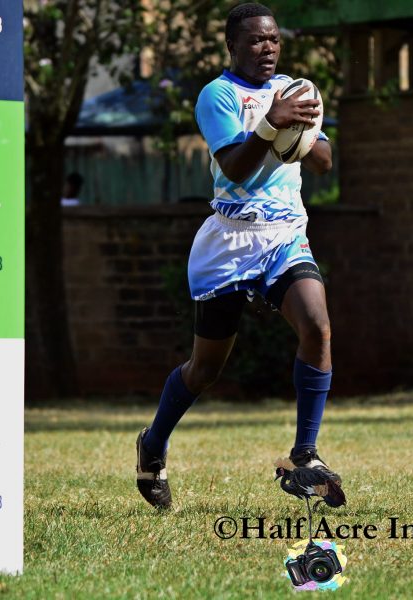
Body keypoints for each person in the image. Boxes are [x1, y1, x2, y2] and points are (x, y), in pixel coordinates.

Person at [135, 2, 341, 510]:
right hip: (230, 240)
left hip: (284, 234)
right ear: (232, 46)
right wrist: (271, 126)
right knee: (206, 369)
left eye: (272, 39)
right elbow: (237, 166)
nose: (266, 48)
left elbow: (324, 162)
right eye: (254, 40)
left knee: (317, 325)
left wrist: (302, 130)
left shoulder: (293, 90)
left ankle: (305, 456)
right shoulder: (218, 95)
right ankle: (153, 443)